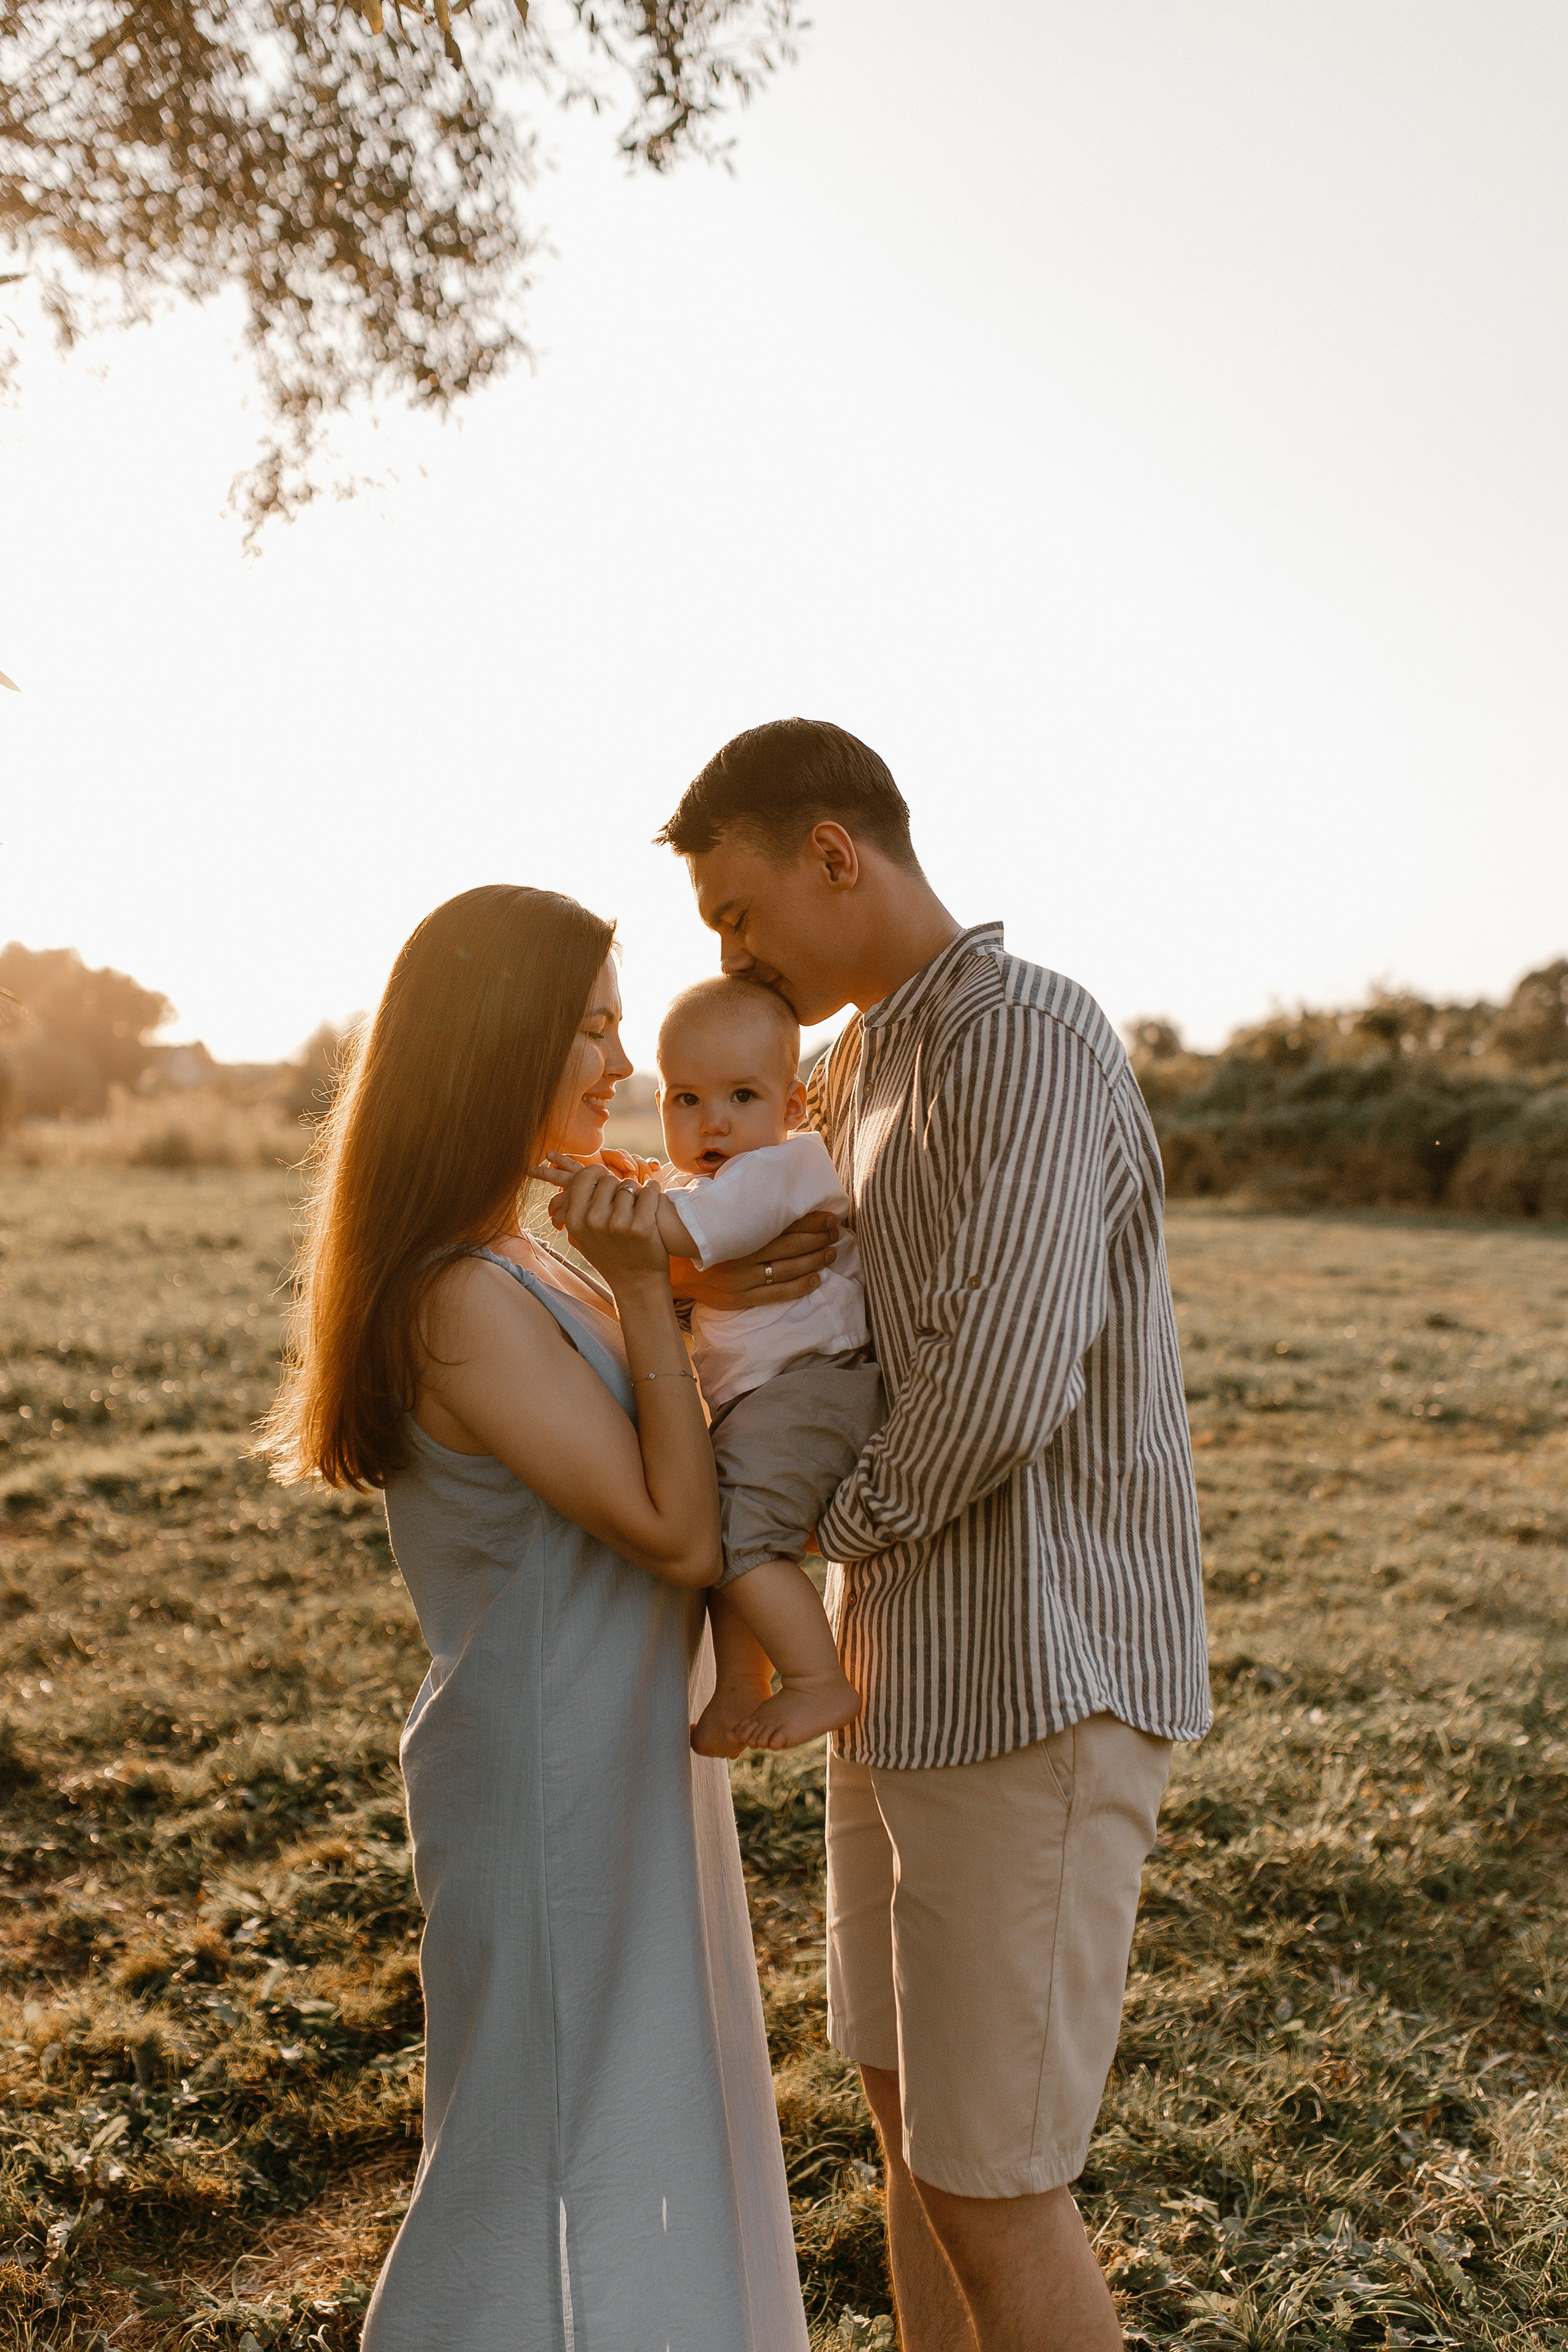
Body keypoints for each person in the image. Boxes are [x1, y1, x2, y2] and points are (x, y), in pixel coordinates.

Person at [656, 721, 1212, 2352]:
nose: (734, 955)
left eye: (741, 913)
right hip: (896, 1668)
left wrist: (818, 1520)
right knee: (913, 2140)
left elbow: (1005, 1378)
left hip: (1036, 1673)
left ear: (837, 853)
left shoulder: (1020, 1037)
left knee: (993, 2182)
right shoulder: (848, 1070)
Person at [260, 884, 808, 2352]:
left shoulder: (528, 1253)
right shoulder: (458, 1296)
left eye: (618, 1026)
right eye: (590, 1025)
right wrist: (645, 1293)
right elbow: (678, 1527)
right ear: (497, 1041)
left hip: (618, 1744)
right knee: (543, 2142)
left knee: (638, 2116)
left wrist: (707, 1279)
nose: (622, 1066)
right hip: (549, 1760)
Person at [537, 970, 877, 1757]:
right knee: (732, 1536)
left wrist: (611, 1202)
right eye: (687, 1100)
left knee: (747, 1540)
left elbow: (700, 1226)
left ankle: (818, 1681)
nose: (713, 1121)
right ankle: (737, 1689)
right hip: (766, 1398)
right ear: (661, 1106)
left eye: (741, 1098)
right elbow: (684, 1199)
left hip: (813, 1388)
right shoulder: (717, 1176)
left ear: (791, 1107)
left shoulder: (787, 1166)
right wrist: (636, 1183)